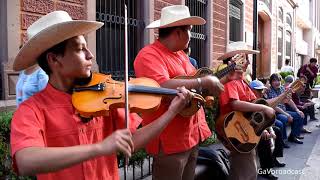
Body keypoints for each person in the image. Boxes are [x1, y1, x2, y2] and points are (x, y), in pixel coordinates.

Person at [10, 11, 193, 180]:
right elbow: (26, 161)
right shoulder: (31, 109)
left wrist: (171, 112)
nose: (90, 55)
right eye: (80, 49)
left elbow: (134, 141)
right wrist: (99, 148)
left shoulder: (104, 97)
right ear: (54, 59)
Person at [134, 5, 224, 180]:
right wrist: (202, 81)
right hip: (170, 140)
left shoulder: (181, 54)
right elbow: (161, 86)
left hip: (191, 136)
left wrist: (217, 81)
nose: (191, 36)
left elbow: (193, 85)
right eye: (189, 31)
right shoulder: (148, 55)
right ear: (178, 33)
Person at [217, 41, 275, 180]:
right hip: (235, 130)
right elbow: (236, 104)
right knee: (245, 173)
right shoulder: (232, 80)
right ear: (237, 59)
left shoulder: (241, 80)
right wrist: (263, 107)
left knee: (246, 171)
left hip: (244, 129)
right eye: (246, 58)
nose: (248, 62)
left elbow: (254, 104)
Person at [249, 80, 286, 180]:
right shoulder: (249, 102)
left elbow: (266, 119)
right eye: (259, 90)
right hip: (250, 129)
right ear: (252, 90)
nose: (261, 92)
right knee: (264, 139)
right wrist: (263, 130)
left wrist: (270, 130)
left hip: (261, 127)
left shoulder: (261, 100)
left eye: (262, 90)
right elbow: (250, 120)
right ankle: (266, 170)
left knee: (277, 130)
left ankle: (274, 158)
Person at [265, 73, 305, 144]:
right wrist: (287, 114)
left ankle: (293, 136)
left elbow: (289, 100)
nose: (277, 82)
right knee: (284, 118)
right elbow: (274, 106)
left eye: (278, 80)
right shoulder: (269, 91)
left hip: (284, 110)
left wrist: (297, 110)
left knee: (299, 115)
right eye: (274, 81)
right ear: (271, 82)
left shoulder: (282, 88)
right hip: (276, 112)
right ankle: (283, 140)